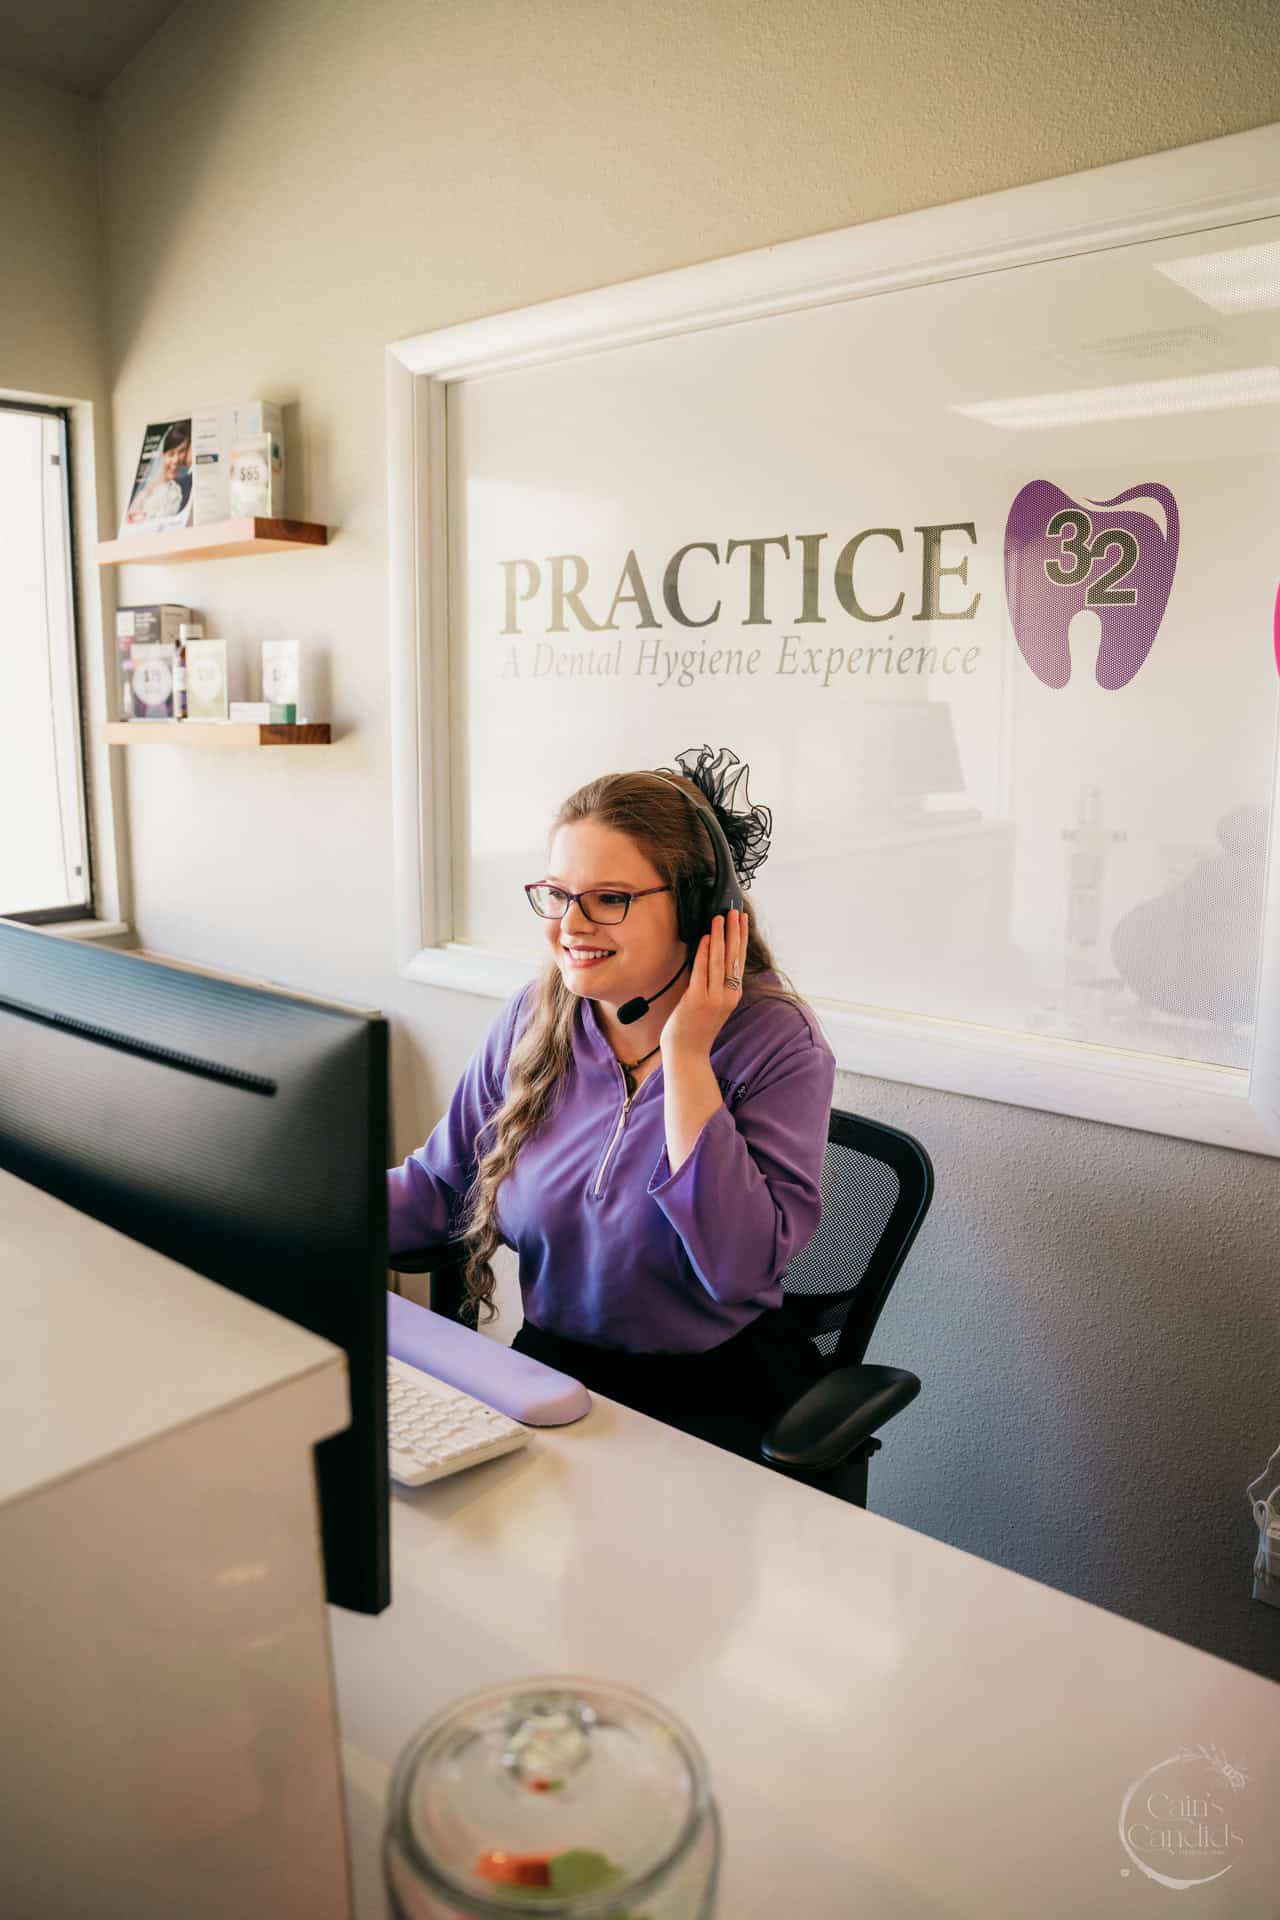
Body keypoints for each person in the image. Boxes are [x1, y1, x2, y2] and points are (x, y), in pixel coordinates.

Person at [387, 745, 837, 1461]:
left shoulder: (777, 1044)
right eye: (557, 894)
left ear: (698, 910)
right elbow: (439, 1190)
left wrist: (687, 1057)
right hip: (552, 1376)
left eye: (609, 899)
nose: (571, 925)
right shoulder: (536, 1016)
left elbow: (735, 1268)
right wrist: (297, 1210)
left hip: (711, 1402)